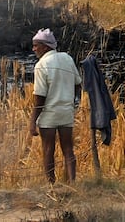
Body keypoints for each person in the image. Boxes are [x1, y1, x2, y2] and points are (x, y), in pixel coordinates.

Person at [28, 28, 80, 184]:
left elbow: (39, 98)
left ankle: (51, 184)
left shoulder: (41, 65)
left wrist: (32, 121)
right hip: (66, 111)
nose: (34, 49)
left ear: (45, 46)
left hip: (49, 114)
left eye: (36, 45)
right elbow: (78, 84)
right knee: (68, 149)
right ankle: (72, 183)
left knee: (48, 149)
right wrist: (71, 101)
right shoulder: (67, 58)